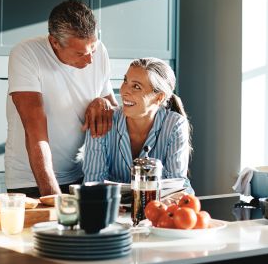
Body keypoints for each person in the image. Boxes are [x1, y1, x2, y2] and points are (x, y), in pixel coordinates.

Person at [5, 0, 118, 197]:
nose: (90, 59)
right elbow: (34, 128)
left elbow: (112, 110)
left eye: (93, 49)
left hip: (80, 174)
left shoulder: (99, 52)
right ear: (55, 42)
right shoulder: (26, 54)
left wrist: (104, 102)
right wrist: (52, 196)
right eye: (80, 54)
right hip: (30, 180)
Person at [82, 57, 193, 192]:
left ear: (159, 97)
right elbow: (93, 183)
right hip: (113, 206)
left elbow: (174, 186)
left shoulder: (175, 125)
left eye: (136, 86)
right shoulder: (103, 121)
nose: (124, 91)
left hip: (160, 207)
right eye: (125, 81)